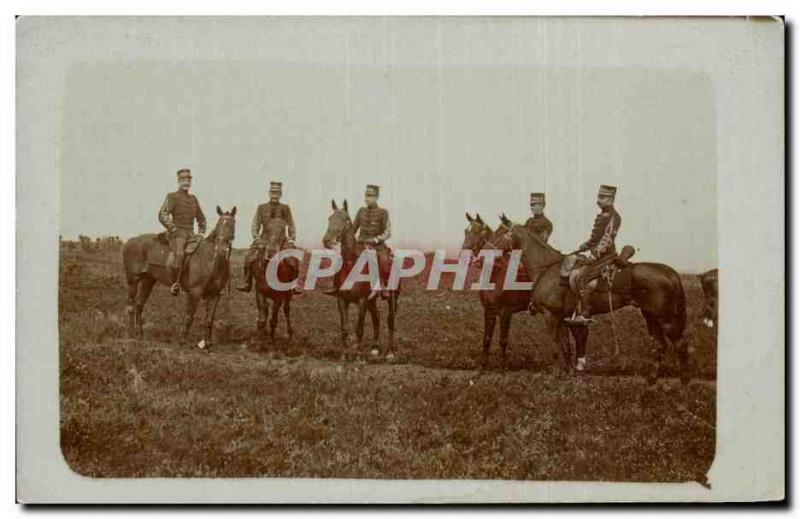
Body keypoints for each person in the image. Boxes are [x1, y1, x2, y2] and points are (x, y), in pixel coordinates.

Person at [561, 184, 622, 325]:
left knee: (584, 276)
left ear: (611, 199)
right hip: (597, 253)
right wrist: (584, 246)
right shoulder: (602, 215)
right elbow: (595, 239)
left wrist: (593, 256)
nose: (599, 200)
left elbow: (607, 240)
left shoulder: (614, 217)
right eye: (598, 196)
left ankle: (585, 312)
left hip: (606, 255)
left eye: (603, 197)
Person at [324, 184, 392, 299]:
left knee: (385, 262)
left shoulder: (383, 212)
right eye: (366, 195)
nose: (367, 198)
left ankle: (384, 287)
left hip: (378, 246)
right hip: (361, 244)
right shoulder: (361, 211)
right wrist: (341, 238)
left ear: (377, 197)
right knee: (341, 259)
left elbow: (388, 231)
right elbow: (352, 229)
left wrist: (376, 239)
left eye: (370, 196)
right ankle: (336, 286)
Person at [237, 181, 302, 294]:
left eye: (277, 193)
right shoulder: (261, 207)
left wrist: (291, 238)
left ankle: (293, 285)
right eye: (273, 192)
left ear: (280, 194)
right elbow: (255, 224)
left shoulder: (285, 208)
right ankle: (247, 282)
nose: (274, 195)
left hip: (281, 240)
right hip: (264, 239)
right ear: (269, 193)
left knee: (293, 258)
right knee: (249, 256)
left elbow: (291, 224)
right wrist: (256, 238)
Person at [158, 168, 207, 296]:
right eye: (183, 180)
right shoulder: (172, 196)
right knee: (179, 255)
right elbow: (163, 214)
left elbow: (201, 218)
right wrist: (172, 227)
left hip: (191, 233)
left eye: (188, 180)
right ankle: (176, 283)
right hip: (177, 233)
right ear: (179, 181)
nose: (186, 182)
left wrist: (201, 233)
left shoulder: (193, 199)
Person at [525, 192, 553, 316]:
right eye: (531, 205)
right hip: (526, 253)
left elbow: (542, 241)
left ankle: (534, 301)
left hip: (540, 254)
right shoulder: (529, 221)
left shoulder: (547, 223)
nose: (533, 208)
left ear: (542, 206)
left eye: (536, 205)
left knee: (539, 275)